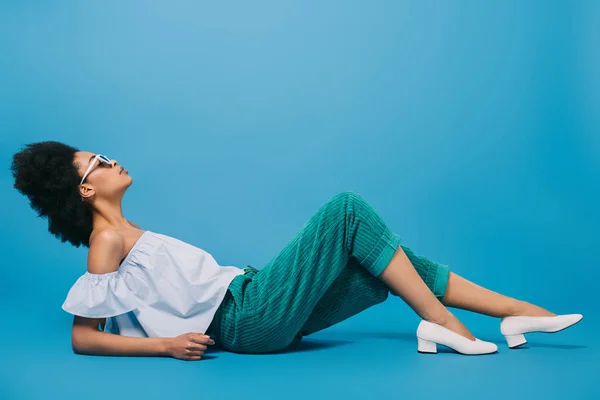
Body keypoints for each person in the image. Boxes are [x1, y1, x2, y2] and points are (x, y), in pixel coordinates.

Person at [10, 141, 583, 360]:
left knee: (388, 262)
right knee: (347, 210)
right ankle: (444, 324)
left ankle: (516, 316)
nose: (112, 160)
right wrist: (163, 346)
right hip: (247, 316)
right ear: (85, 190)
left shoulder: (128, 230)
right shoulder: (107, 239)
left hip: (257, 306)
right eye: (98, 163)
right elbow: (84, 337)